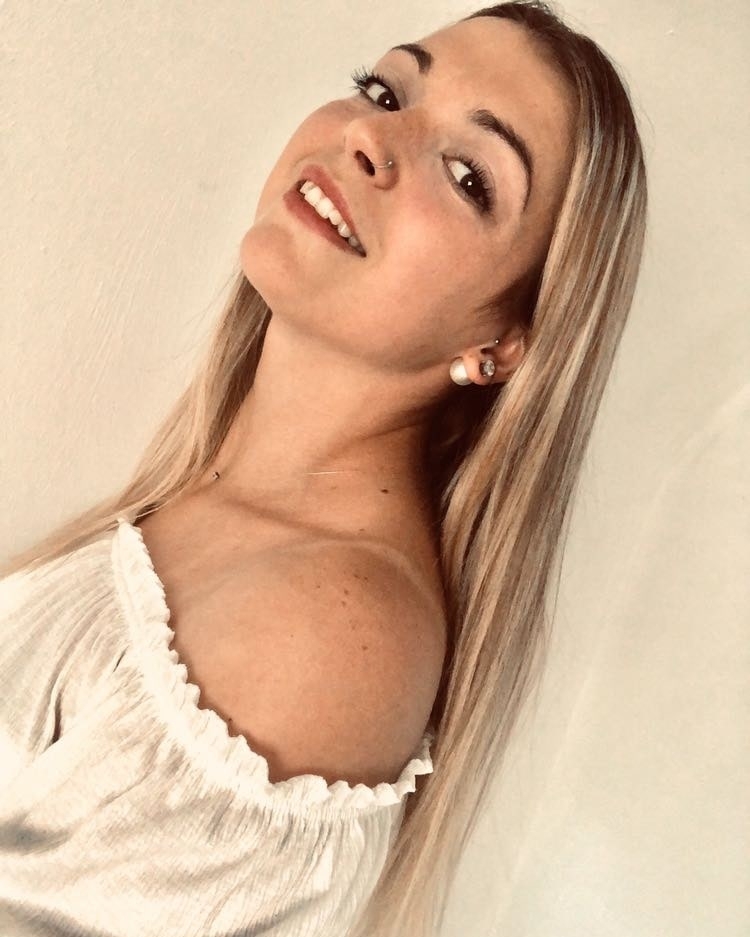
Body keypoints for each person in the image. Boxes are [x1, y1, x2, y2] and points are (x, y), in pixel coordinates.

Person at [0, 2, 648, 936]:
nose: (370, 139)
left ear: (503, 344)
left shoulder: (330, 627)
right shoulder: (217, 510)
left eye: (468, 175)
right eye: (384, 91)